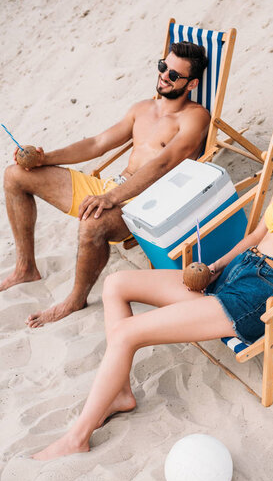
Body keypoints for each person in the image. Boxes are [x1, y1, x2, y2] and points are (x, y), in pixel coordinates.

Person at [32, 90, 273, 460]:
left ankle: (76, 437)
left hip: (261, 295)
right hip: (235, 273)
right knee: (116, 284)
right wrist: (216, 267)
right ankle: (121, 393)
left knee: (128, 333)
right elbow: (256, 236)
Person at [1, 41, 210, 327]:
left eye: (174, 75)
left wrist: (113, 197)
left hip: (147, 202)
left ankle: (75, 299)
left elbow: (165, 163)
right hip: (115, 187)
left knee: (92, 223)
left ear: (192, 83)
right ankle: (26, 268)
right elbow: (98, 143)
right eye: (163, 67)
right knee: (15, 175)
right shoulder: (142, 108)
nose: (164, 76)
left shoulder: (195, 117)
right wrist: (45, 158)